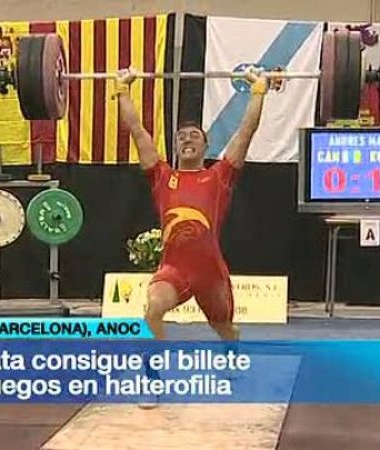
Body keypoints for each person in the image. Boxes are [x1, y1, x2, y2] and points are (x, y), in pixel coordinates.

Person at [114, 66, 270, 342]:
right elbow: (137, 131)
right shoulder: (161, 176)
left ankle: (231, 355)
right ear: (175, 147)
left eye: (194, 136)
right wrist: (122, 89)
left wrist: (258, 89)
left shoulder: (220, 176)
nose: (187, 139)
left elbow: (246, 131)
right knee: (153, 309)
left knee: (225, 329)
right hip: (173, 270)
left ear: (206, 147)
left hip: (211, 272)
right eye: (182, 136)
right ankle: (155, 364)